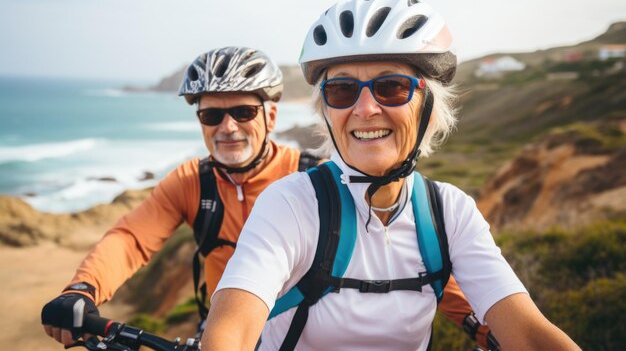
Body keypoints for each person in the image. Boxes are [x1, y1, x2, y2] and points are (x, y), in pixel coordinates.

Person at [40, 46, 491, 348]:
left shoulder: (313, 178)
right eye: (212, 114)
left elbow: (413, 255)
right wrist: (83, 288)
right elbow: (131, 238)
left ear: (271, 114)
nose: (227, 127)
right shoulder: (191, 181)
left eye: (242, 111)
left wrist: (475, 320)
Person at [202, 0, 582, 351]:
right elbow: (230, 332)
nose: (365, 108)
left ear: (428, 106)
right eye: (342, 91)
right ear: (327, 111)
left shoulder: (449, 212)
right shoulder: (291, 204)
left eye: (392, 87)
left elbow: (529, 334)